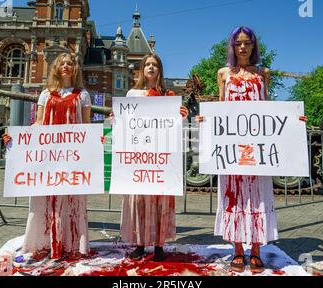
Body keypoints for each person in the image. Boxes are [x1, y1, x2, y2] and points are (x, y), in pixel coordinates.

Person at [197, 26, 306, 273]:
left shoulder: (263, 73)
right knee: (234, 195)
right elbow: (221, 107)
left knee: (257, 196)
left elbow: (269, 110)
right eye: (238, 43)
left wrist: (294, 122)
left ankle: (256, 249)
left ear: (254, 46)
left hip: (258, 148)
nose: (243, 47)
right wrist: (206, 120)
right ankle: (237, 249)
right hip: (231, 149)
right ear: (233, 47)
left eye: (247, 43)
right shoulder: (223, 73)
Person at [3, 53, 102, 260]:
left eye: (70, 64)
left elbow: (86, 126)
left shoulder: (83, 95)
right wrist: (17, 139)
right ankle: (44, 242)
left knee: (72, 199)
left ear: (75, 69)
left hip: (72, 157)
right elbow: (38, 123)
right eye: (62, 63)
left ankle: (72, 243)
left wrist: (96, 141)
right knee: (44, 199)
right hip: (48, 158)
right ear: (56, 68)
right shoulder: (45, 94)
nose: (66, 66)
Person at [114, 53, 188, 262]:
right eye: (147, 64)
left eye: (155, 65)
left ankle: (158, 245)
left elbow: (175, 129)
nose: (151, 68)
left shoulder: (168, 95)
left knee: (160, 200)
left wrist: (182, 116)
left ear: (160, 70)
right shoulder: (132, 94)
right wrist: (115, 120)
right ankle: (139, 244)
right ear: (141, 69)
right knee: (140, 199)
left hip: (161, 156)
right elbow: (125, 124)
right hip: (139, 155)